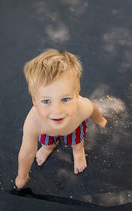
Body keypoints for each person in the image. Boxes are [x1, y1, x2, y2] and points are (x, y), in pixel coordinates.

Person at [15, 49, 107, 189]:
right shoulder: (33, 122)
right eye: (46, 101)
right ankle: (48, 147)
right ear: (34, 101)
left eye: (65, 99)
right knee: (46, 142)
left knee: (76, 142)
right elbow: (27, 152)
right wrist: (22, 176)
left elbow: (93, 110)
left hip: (74, 126)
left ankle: (78, 151)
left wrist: (100, 120)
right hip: (46, 130)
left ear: (76, 96)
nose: (57, 111)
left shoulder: (82, 107)